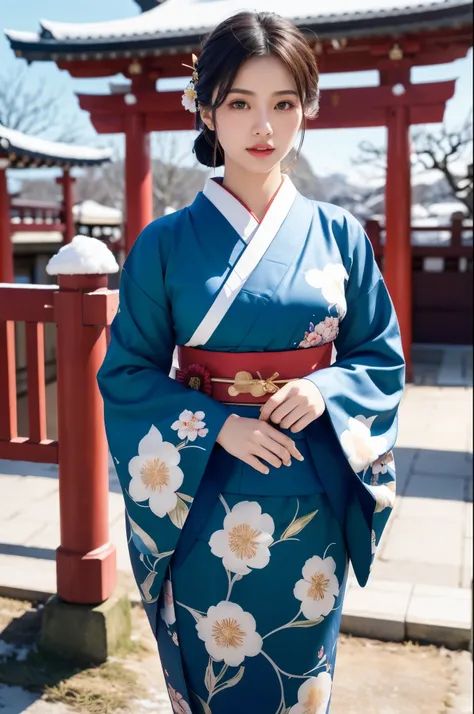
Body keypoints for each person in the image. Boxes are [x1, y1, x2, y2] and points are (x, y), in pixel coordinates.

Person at [97, 11, 405, 714]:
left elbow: (378, 355)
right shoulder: (165, 243)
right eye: (240, 103)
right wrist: (214, 425)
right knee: (217, 671)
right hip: (202, 492)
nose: (263, 126)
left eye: (283, 103)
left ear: (307, 110)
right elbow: (126, 373)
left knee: (298, 679)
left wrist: (327, 388)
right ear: (207, 109)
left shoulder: (339, 235)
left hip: (311, 491)